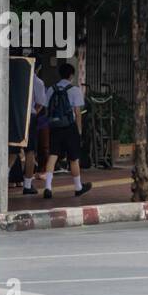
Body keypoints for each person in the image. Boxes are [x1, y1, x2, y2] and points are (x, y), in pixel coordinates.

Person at [42, 63, 92, 198]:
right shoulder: (74, 90)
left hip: (55, 127)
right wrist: (79, 130)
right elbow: (77, 112)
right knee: (74, 158)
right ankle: (78, 187)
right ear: (71, 75)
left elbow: (47, 110)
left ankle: (48, 187)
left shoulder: (51, 89)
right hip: (70, 127)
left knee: (53, 155)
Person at [18, 71, 48, 194]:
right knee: (30, 151)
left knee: (13, 150)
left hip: (15, 115)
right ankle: (28, 185)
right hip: (30, 116)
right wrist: (33, 112)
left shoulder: (15, 76)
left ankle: (1, 180)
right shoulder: (38, 82)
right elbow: (41, 102)